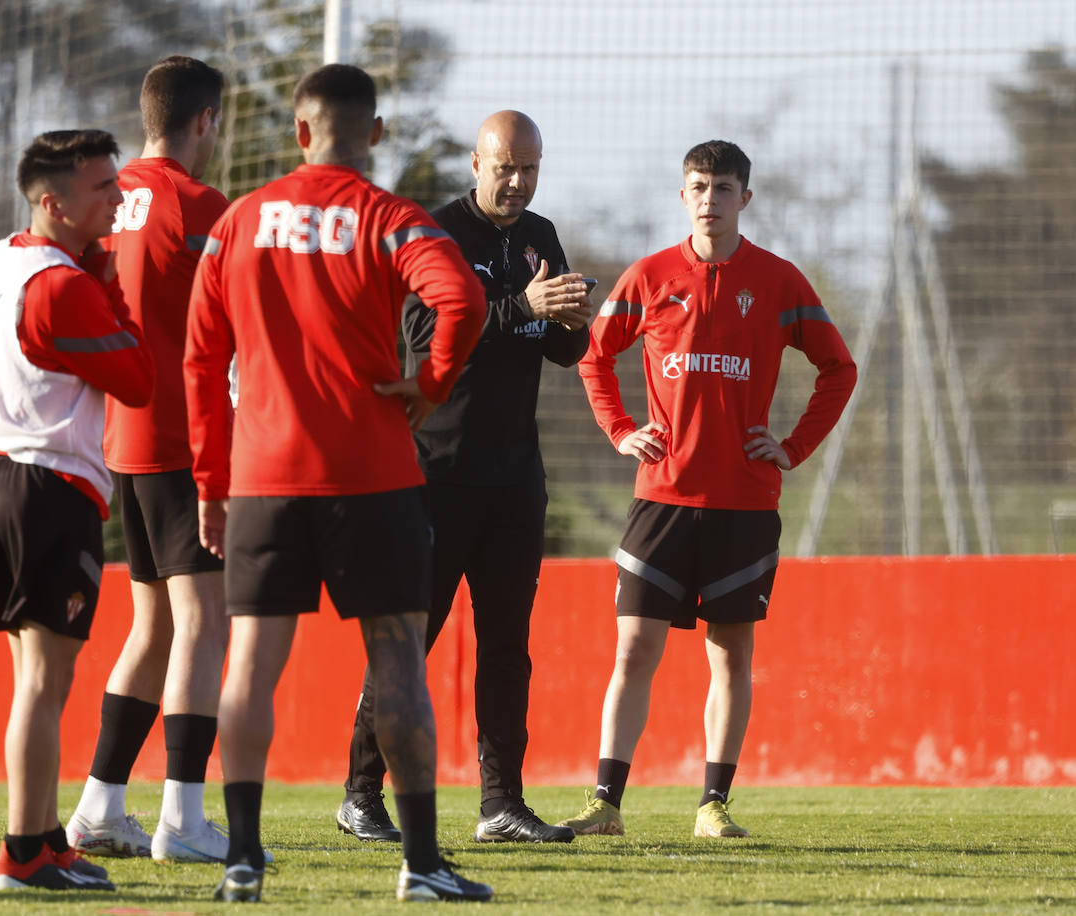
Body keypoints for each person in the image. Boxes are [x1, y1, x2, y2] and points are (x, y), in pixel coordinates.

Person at [184, 63, 493, 904]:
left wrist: (211, 481)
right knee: (397, 657)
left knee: (251, 662)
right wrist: (430, 384)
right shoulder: (390, 219)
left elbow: (201, 361)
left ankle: (242, 858)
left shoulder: (239, 221)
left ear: (299, 132)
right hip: (372, 474)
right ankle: (421, 864)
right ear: (376, 133)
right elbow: (464, 300)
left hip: (263, 476)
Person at [559, 140, 857, 839]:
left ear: (745, 198)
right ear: (683, 194)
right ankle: (605, 804)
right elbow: (594, 356)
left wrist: (791, 448)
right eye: (698, 186)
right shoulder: (650, 275)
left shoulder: (779, 281)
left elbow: (838, 368)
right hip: (661, 499)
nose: (710, 199)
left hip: (743, 505)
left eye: (723, 188)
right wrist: (620, 429)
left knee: (731, 654)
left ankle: (713, 805)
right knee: (634, 651)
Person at [336, 110, 590, 846]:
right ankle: (360, 795)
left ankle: (501, 805)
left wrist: (572, 319)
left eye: (530, 169)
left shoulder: (540, 235)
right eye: (506, 167)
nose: (518, 182)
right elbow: (423, 338)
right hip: (437, 473)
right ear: (477, 164)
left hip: (516, 479)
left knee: (507, 647)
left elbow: (563, 352)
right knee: (409, 640)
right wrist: (520, 307)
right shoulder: (436, 231)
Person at [0, 129, 154, 891]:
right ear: (54, 202)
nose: (118, 197)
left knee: (42, 679)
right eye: (103, 186)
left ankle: (47, 839)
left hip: (8, 484)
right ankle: (24, 853)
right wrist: (109, 280)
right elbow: (139, 377)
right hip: (48, 490)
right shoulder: (63, 284)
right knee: (42, 683)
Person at [64, 55, 239, 866]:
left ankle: (98, 808)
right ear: (205, 121)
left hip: (119, 441)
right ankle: (183, 819)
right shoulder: (202, 206)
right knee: (203, 622)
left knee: (156, 625)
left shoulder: (107, 200)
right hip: (182, 440)